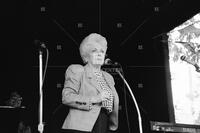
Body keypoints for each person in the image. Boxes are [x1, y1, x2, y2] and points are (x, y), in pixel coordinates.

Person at [61, 33, 119, 133]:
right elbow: (67, 97)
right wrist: (94, 99)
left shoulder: (108, 77)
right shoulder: (77, 70)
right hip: (80, 127)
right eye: (94, 51)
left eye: (102, 51)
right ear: (86, 55)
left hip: (104, 124)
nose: (99, 54)